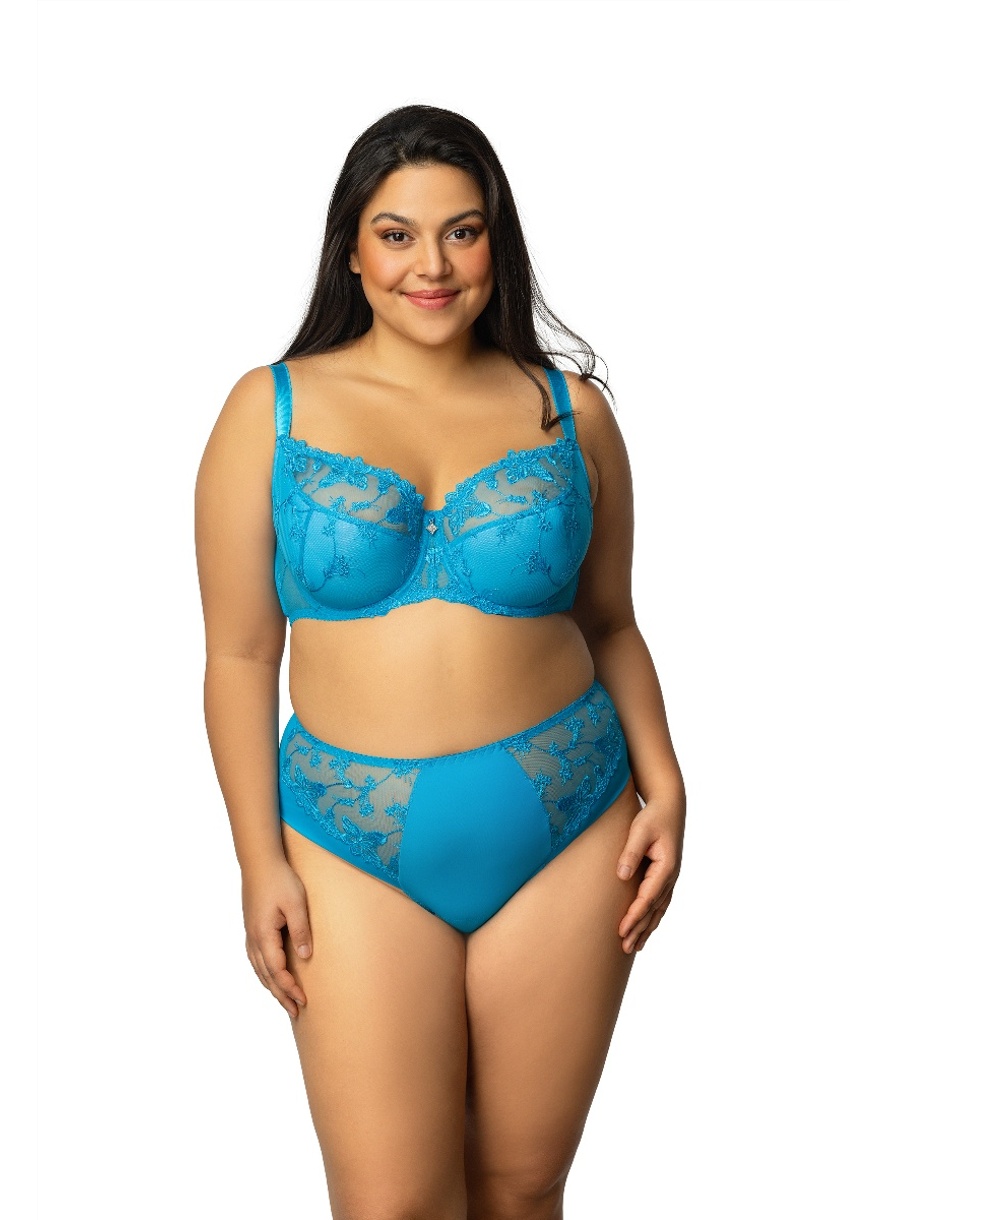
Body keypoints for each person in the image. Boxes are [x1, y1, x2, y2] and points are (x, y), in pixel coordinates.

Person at [195, 104, 687, 1220]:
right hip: (349, 840)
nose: (432, 265)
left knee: (521, 1187)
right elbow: (237, 655)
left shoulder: (569, 410)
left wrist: (667, 786)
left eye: (462, 232)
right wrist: (258, 860)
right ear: (351, 249)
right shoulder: (270, 410)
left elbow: (613, 622)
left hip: (570, 819)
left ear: (496, 245)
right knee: (393, 1202)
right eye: (398, 234)